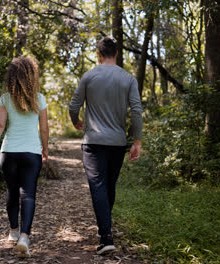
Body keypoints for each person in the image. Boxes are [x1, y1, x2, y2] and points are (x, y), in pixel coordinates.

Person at [69, 36, 143, 255]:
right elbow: (136, 111)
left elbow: (74, 106)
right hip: (117, 143)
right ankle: (105, 230)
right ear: (117, 53)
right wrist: (136, 140)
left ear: (99, 54)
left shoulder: (89, 76)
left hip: (93, 142)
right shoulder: (128, 78)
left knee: (99, 187)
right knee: (109, 186)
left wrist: (76, 122)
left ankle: (106, 236)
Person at [0, 56, 49, 258]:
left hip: (9, 152)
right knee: (28, 194)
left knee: (11, 191)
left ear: (12, 76)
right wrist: (45, 149)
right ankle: (25, 237)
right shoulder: (39, 98)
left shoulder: (5, 98)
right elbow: (44, 128)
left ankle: (13, 231)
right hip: (31, 153)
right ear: (32, 75)